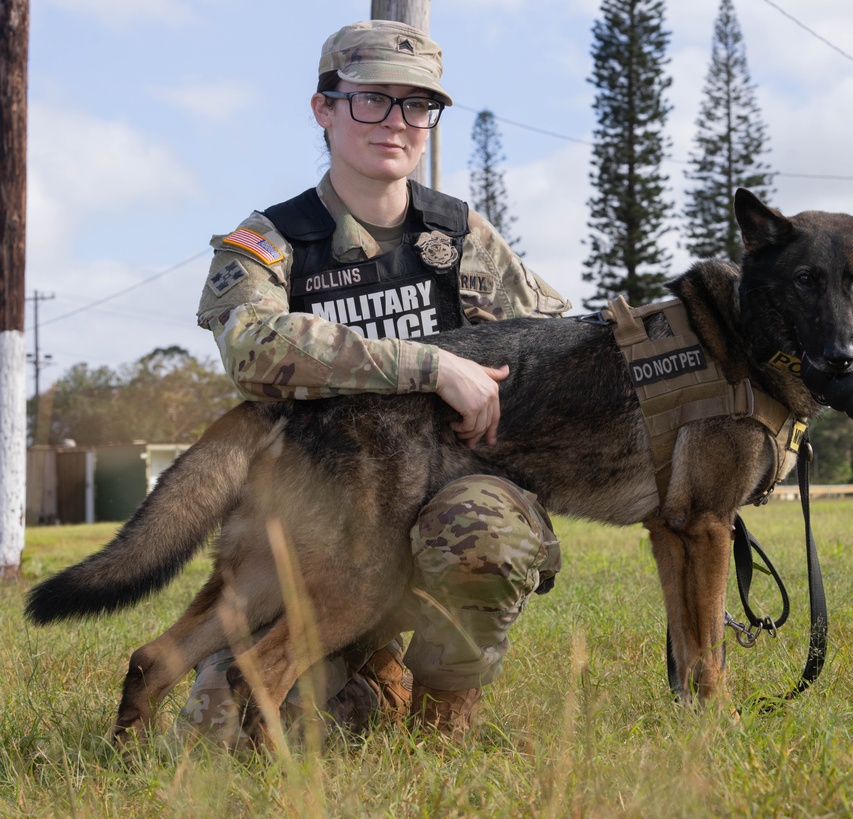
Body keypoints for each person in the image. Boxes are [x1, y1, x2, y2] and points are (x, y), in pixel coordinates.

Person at [179, 19, 569, 744]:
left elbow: (555, 352)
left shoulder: (463, 240)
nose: (396, 122)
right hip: (318, 537)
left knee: (485, 527)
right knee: (220, 738)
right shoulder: (273, 241)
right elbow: (255, 348)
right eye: (370, 100)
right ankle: (370, 675)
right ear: (323, 107)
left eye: (415, 105)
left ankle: (444, 713)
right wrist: (430, 363)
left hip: (444, 511)